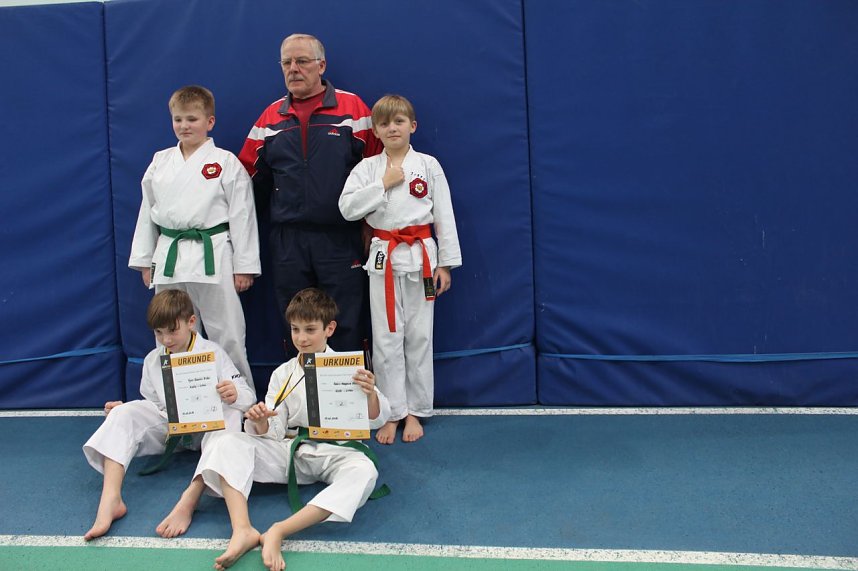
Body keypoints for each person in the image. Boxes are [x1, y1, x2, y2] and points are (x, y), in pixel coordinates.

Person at [161, 288, 389, 570]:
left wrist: (370, 395)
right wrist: (260, 420)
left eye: (310, 329)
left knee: (365, 472)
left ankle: (279, 530)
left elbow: (376, 419)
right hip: (292, 451)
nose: (301, 338)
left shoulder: (349, 369)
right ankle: (242, 529)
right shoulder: (282, 374)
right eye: (295, 329)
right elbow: (274, 428)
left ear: (329, 329)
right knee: (225, 440)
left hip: (337, 452)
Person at [238, 33, 382, 356]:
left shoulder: (353, 110)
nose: (293, 69)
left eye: (302, 61)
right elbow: (243, 181)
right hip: (288, 240)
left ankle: (348, 397)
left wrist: (371, 229)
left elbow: (378, 172)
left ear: (321, 65)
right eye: (286, 62)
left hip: (341, 238)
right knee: (296, 322)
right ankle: (301, 399)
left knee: (344, 319)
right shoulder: (270, 119)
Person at [82, 289, 255, 541]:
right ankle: (111, 498)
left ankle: (190, 498)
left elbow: (247, 396)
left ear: (191, 322)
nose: (166, 340)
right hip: (174, 431)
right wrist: (127, 410)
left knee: (229, 411)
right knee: (124, 413)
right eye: (159, 333)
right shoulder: (154, 360)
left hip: (210, 434)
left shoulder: (213, 353)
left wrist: (233, 393)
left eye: (173, 330)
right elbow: (153, 405)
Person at [339, 95, 462, 444]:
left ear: (412, 125)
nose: (392, 128)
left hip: (422, 257)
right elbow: (346, 208)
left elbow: (444, 215)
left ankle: (416, 411)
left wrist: (446, 264)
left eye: (399, 122)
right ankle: (391, 412)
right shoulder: (367, 168)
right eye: (384, 123)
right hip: (383, 259)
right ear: (375, 130)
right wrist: (384, 184)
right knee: (386, 336)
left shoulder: (428, 164)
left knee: (420, 336)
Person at [129, 85, 260, 390]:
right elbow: (147, 211)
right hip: (169, 253)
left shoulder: (225, 162)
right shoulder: (160, 161)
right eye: (178, 120)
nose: (184, 126)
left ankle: (240, 399)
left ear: (209, 122)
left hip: (214, 252)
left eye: (192, 119)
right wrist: (145, 260)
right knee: (170, 330)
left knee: (226, 330)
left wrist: (244, 266)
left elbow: (243, 215)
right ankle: (178, 399)